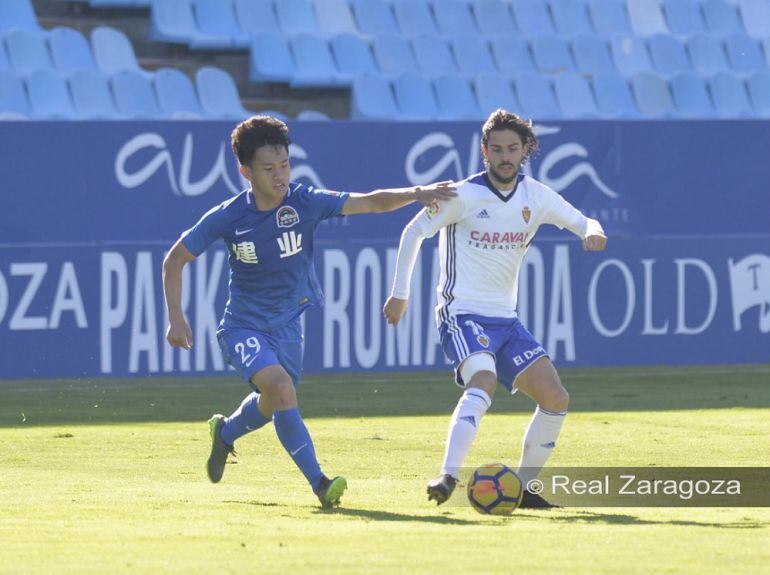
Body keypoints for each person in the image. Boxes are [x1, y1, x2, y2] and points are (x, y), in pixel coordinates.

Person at [163, 116, 456, 508]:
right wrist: (176, 318)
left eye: (284, 164)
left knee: (272, 404)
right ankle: (320, 483)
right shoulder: (229, 216)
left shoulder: (305, 202)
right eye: (268, 168)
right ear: (245, 172)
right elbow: (174, 260)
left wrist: (418, 192)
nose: (280, 175)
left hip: (288, 328)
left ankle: (226, 432)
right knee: (283, 391)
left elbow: (370, 201)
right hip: (242, 327)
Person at [383, 109, 607, 509]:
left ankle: (523, 490)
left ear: (526, 151)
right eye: (497, 149)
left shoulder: (534, 196)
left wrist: (593, 231)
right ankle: (448, 475)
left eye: (513, 149)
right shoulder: (464, 195)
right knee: (482, 381)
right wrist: (400, 293)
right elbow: (414, 230)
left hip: (506, 319)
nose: (505, 157)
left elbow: (582, 220)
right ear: (484, 151)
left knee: (556, 397)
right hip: (461, 313)